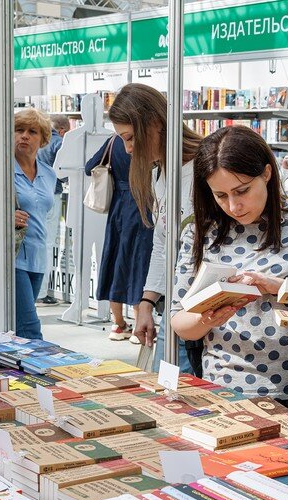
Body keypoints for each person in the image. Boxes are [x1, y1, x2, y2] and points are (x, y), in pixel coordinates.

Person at [170, 125, 288, 419]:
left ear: (267, 173)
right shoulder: (200, 233)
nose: (234, 205)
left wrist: (279, 287)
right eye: (220, 195)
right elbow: (179, 320)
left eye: (242, 190)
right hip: (226, 392)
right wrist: (207, 317)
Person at [108, 84, 202, 371]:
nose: (128, 149)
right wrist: (148, 301)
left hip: (205, 312)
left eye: (131, 137)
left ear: (156, 124)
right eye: (123, 140)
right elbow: (163, 242)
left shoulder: (205, 167)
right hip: (176, 310)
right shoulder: (159, 173)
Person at [85, 135, 154, 342]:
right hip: (144, 205)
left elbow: (90, 166)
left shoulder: (114, 141)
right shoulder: (147, 141)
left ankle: (118, 324)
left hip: (118, 207)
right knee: (138, 263)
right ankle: (137, 326)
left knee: (116, 260)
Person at [13, 109, 57, 340]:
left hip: (39, 257)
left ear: (43, 139)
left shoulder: (49, 174)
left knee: (19, 326)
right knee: (29, 328)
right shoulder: (2, 171)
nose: (24, 136)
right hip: (14, 257)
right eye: (19, 130)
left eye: (32, 132)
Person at [36, 114, 70, 305]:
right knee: (48, 244)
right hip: (53, 195)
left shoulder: (39, 142)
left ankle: (37, 291)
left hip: (36, 195)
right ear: (63, 129)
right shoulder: (59, 144)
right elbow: (63, 171)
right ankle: (41, 293)